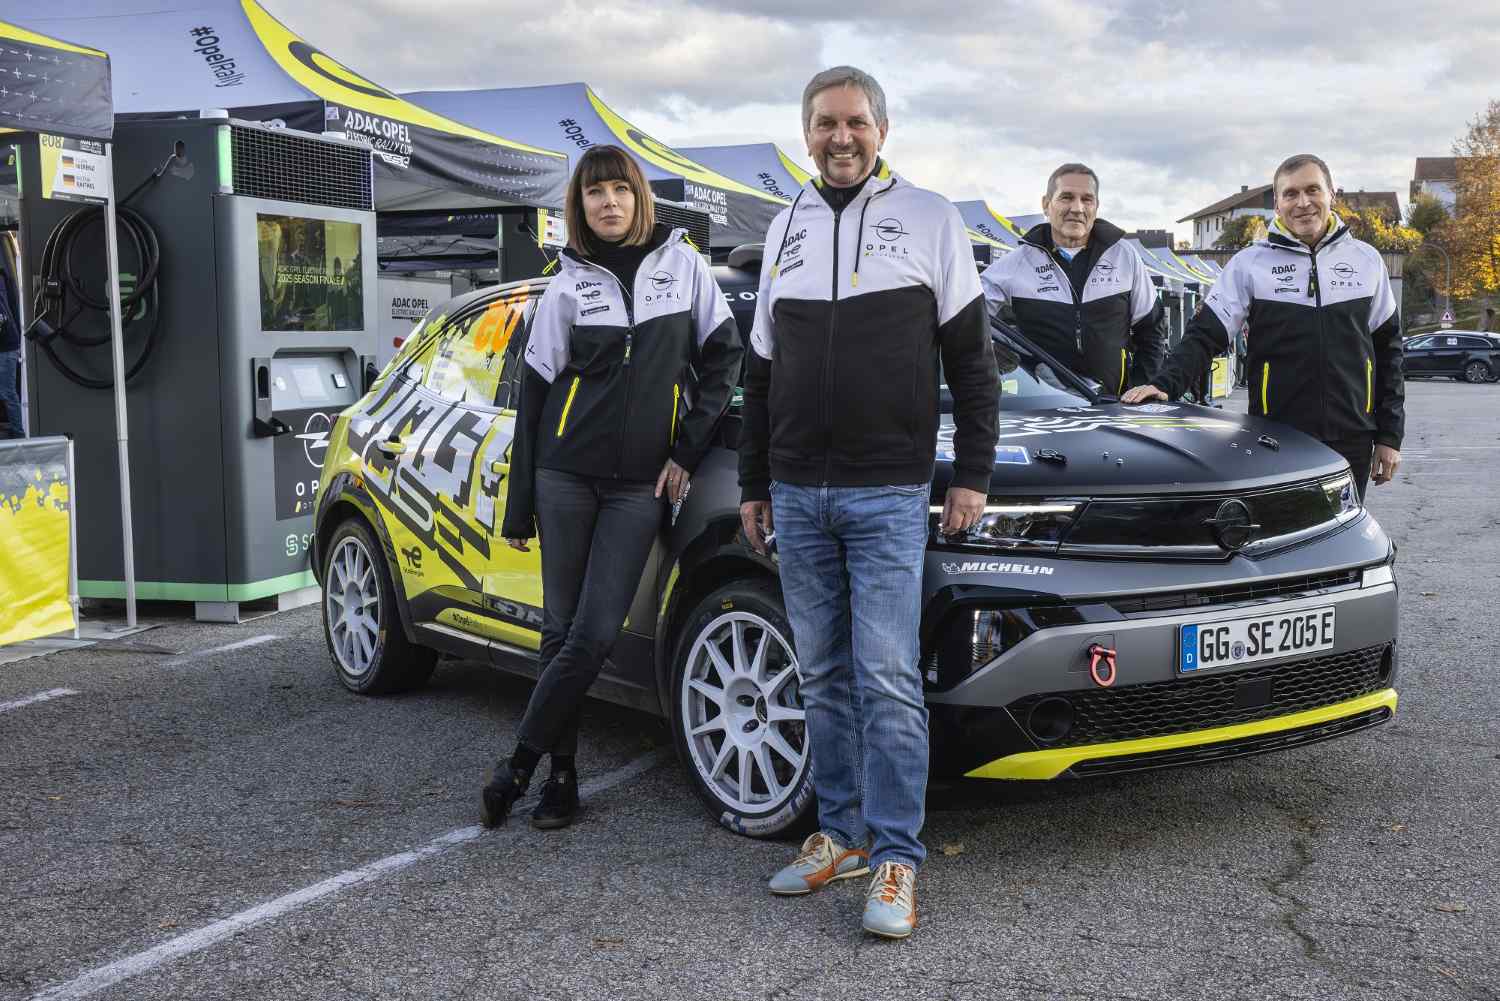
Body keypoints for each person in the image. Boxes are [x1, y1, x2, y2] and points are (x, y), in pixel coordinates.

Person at [738, 66, 998, 939]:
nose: (840, 137)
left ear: (881, 131)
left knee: (887, 677)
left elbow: (973, 364)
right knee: (821, 673)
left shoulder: (930, 218)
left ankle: (896, 855)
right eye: (825, 123)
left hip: (887, 489)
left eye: (855, 122)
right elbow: (760, 373)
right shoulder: (785, 227)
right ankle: (841, 834)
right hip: (797, 490)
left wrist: (972, 473)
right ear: (805, 133)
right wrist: (754, 482)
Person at [485, 145, 743, 829]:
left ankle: (517, 763)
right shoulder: (566, 283)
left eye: (620, 190)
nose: (609, 203)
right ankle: (561, 777)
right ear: (580, 205)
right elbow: (534, 399)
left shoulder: (683, 267)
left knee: (595, 632)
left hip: (639, 484)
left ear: (639, 198)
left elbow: (725, 359)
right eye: (595, 192)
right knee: (559, 629)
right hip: (564, 475)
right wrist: (520, 506)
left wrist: (686, 449)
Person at [1123, 154, 1403, 498]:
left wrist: (1390, 436)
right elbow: (1204, 335)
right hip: (1277, 436)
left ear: (1331, 194)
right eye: (1291, 194)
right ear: (1277, 204)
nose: (1303, 202)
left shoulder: (1367, 260)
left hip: (1353, 438)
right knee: (1282, 529)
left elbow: (1389, 354)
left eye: (1313, 190)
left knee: (1345, 528)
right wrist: (1164, 383)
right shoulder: (1250, 264)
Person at [979, 163, 1166, 393]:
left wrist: (1141, 390)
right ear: (1046, 204)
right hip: (1046, 406)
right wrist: (995, 353)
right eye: (1066, 197)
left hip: (1113, 405)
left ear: (1096, 207)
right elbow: (966, 318)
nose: (1077, 208)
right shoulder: (1017, 263)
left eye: (1087, 199)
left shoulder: (1124, 255)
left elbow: (1152, 331)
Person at [0, 263, 23, 439]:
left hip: (6, 346)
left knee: (7, 391)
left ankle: (18, 433)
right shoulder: (3, 278)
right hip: (8, 343)